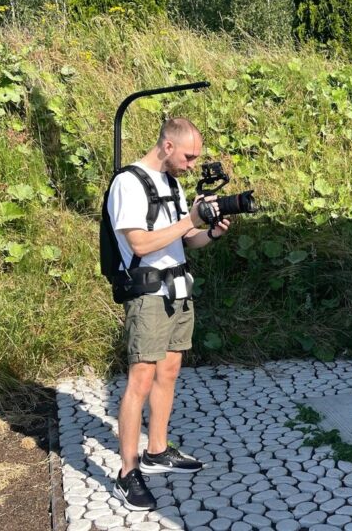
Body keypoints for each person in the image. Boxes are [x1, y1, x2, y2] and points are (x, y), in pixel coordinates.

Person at [107, 118, 231, 511]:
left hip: (178, 289)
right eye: (189, 156)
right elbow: (140, 241)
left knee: (170, 370)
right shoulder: (128, 182)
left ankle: (156, 450)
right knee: (140, 379)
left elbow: (184, 239)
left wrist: (208, 232)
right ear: (166, 146)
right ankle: (127, 473)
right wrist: (189, 221)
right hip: (147, 293)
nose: (193, 164)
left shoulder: (172, 184)